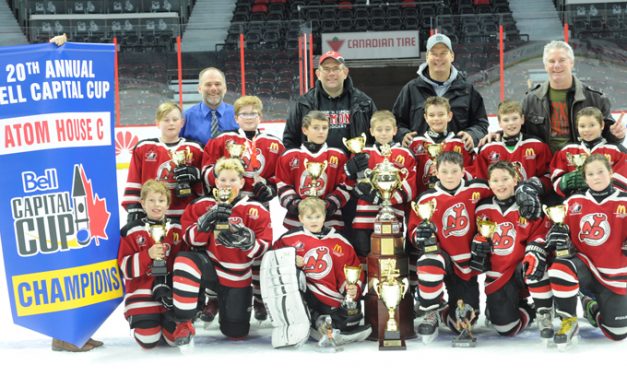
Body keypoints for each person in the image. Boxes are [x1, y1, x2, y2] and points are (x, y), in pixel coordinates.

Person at [200, 95, 285, 321]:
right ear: (236, 117)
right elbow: (206, 171)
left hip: (257, 206)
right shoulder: (222, 140)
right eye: (244, 114)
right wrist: (220, 181)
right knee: (220, 248)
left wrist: (270, 188)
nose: (249, 118)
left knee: (258, 251)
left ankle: (259, 299)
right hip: (226, 204)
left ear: (260, 116)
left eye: (253, 113)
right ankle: (214, 298)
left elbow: (281, 177)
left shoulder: (273, 144)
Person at [172, 158, 272, 342]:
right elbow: (189, 239)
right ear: (216, 182)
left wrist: (249, 242)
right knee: (184, 260)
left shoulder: (255, 209)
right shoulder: (202, 205)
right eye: (223, 180)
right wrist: (204, 222)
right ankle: (183, 322)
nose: (227, 184)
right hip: (209, 267)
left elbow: (265, 245)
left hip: (236, 275)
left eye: (233, 180)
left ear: (242, 182)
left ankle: (229, 307)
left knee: (236, 332)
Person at [480, 41, 625, 152]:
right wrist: (499, 134)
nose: (556, 66)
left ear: (571, 63)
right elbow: (520, 132)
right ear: (545, 65)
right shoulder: (531, 100)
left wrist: (616, 134)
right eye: (551, 61)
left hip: (585, 161)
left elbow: (609, 134)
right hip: (546, 165)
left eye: (562, 60)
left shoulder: (595, 99)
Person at [407, 152, 491, 343]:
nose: (450, 176)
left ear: (463, 172)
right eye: (444, 171)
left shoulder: (477, 189)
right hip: (442, 257)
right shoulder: (425, 200)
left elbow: (500, 193)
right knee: (428, 261)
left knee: (464, 321)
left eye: (454, 171)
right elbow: (413, 232)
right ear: (436, 172)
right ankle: (430, 311)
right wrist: (419, 236)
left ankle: (444, 309)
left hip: (467, 264)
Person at [546, 154, 627, 347]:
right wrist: (553, 237)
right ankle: (569, 320)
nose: (596, 177)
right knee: (559, 267)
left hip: (616, 275)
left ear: (611, 172)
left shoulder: (624, 200)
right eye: (590, 174)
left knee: (617, 333)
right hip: (585, 269)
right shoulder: (571, 203)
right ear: (585, 177)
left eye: (600, 172)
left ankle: (590, 306)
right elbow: (552, 230)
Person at [271, 197, 372, 345]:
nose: (314, 221)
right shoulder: (288, 240)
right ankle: (317, 322)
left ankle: (330, 324)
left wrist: (351, 288)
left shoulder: (340, 241)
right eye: (309, 217)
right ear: (300, 218)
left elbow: (353, 268)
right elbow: (273, 263)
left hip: (333, 296)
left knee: (350, 316)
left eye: (317, 216)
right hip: (307, 296)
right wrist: (290, 259)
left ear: (324, 216)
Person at [471, 161, 550, 337]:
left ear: (516, 180)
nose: (501, 184)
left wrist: (535, 249)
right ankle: (527, 310)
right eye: (495, 180)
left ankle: (544, 311)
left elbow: (541, 232)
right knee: (506, 329)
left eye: (505, 179)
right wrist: (477, 243)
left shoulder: (528, 205)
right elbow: (473, 236)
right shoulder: (481, 208)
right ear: (489, 183)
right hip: (499, 275)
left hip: (522, 268)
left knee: (537, 261)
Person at [392, 33, 489, 151]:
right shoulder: (411, 89)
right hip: (420, 163)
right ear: (427, 56)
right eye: (434, 53)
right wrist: (403, 135)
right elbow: (395, 122)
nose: (438, 58)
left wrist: (473, 135)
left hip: (456, 164)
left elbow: (481, 124)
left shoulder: (468, 90)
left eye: (443, 53)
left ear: (452, 56)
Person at [117, 180, 184, 348]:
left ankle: (166, 321)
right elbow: (124, 269)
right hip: (142, 292)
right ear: (142, 203)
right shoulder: (130, 231)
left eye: (161, 201)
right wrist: (147, 255)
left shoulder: (177, 228)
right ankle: (150, 323)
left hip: (169, 294)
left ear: (168, 204)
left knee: (175, 339)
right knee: (149, 341)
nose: (156, 205)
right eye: (151, 200)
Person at [347, 110, 416, 259]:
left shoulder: (404, 154)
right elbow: (349, 183)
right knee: (365, 260)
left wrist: (384, 200)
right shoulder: (362, 152)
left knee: (390, 261)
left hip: (392, 219)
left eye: (387, 129)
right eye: (379, 130)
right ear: (371, 131)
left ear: (395, 131)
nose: (383, 133)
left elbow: (410, 187)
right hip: (363, 219)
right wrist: (350, 172)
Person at [122, 102, 204, 223]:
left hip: (186, 214)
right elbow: (134, 180)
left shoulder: (195, 148)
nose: (171, 123)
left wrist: (197, 176)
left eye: (175, 119)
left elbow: (204, 187)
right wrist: (134, 208)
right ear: (157, 123)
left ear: (182, 123)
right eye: (166, 120)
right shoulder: (143, 148)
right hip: (153, 214)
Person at [283, 50, 377, 153]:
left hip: (355, 167)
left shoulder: (364, 103)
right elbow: (290, 141)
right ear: (318, 74)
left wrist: (364, 159)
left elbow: (378, 137)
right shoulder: (303, 104)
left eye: (336, 69)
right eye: (326, 69)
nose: (331, 73)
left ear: (345, 72)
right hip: (316, 167)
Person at [276, 111, 350, 231]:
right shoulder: (289, 156)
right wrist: (296, 205)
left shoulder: (338, 156)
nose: (321, 131)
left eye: (324, 128)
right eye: (316, 128)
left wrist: (329, 205)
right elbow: (282, 184)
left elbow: (345, 185)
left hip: (331, 221)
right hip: (297, 221)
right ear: (305, 130)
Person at [474, 100, 553, 193]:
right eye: (506, 120)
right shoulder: (487, 149)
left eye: (515, 118)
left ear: (522, 119)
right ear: (499, 122)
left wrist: (534, 186)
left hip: (530, 199)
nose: (511, 123)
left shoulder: (537, 145)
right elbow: (481, 181)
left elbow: (548, 176)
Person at [550, 107, 627, 198]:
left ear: (602, 125)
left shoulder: (616, 150)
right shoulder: (567, 150)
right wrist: (563, 182)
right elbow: (555, 177)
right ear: (577, 127)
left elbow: (624, 179)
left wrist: (597, 183)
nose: (587, 130)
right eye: (582, 126)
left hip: (608, 204)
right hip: (576, 205)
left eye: (592, 125)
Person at [407, 96, 474, 194]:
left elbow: (471, 173)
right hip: (423, 201)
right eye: (432, 115)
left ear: (449, 116)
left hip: (453, 199)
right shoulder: (415, 143)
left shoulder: (461, 143)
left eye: (441, 114)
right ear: (425, 117)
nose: (436, 118)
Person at [180, 67, 238, 146]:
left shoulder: (237, 114)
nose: (213, 88)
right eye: (208, 84)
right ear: (199, 89)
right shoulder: (186, 117)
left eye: (217, 84)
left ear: (225, 88)